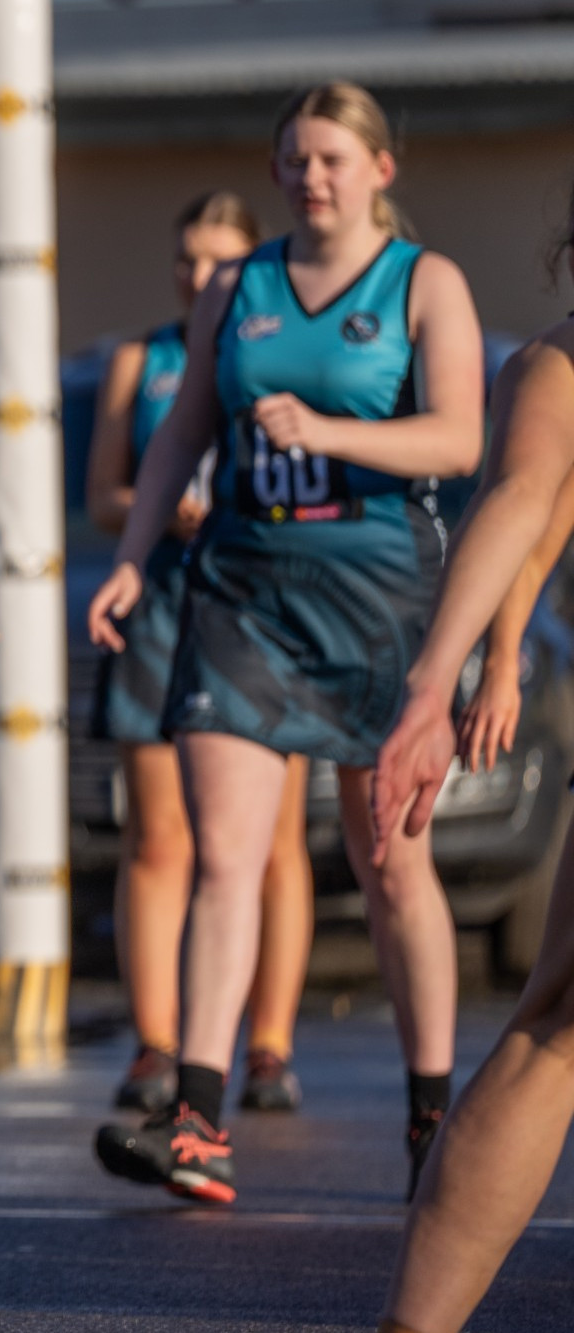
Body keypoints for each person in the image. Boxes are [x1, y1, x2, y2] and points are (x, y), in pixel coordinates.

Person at [85, 81, 484, 1205]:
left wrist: (329, 429)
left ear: (377, 171)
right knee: (224, 855)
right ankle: (198, 1121)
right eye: (294, 159)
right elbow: (182, 429)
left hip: (376, 605)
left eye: (330, 158)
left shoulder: (424, 283)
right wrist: (129, 554)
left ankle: (429, 1117)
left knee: (389, 863)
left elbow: (457, 440)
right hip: (243, 597)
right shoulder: (236, 287)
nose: (310, 177)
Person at [369, 207, 574, 1333]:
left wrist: (431, 683)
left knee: (552, 1028)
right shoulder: (554, 363)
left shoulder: (553, 360)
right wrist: (460, 671)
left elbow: (522, 500)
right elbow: (526, 509)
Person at [86, 190, 315, 1115]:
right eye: (186, 258)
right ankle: (156, 1041)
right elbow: (105, 495)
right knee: (161, 837)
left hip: (258, 607)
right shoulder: (143, 361)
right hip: (163, 606)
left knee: (270, 841)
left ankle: (267, 1044)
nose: (197, 275)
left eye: (218, 260)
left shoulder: (280, 350)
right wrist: (154, 508)